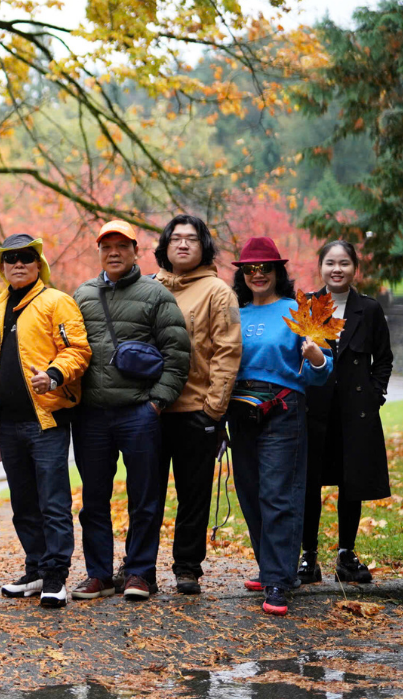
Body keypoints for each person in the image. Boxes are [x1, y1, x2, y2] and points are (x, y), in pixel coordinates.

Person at [71, 221, 190, 603]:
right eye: (107, 247)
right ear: (100, 252)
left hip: (138, 412)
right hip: (91, 415)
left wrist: (156, 403)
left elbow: (178, 354)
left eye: (122, 246)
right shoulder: (83, 295)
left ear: (136, 251)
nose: (114, 252)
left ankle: (139, 572)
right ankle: (98, 575)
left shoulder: (155, 294)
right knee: (93, 499)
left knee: (144, 497)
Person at [0, 235, 91, 609]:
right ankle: (36, 569)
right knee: (24, 504)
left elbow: (78, 350)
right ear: (2, 266)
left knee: (53, 502)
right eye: (10, 258)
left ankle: (56, 575)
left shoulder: (57, 302)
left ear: (38, 262)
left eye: (26, 257)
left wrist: (54, 375)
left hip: (47, 420)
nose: (18, 264)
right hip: (8, 423)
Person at [229, 236, 332, 616]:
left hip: (284, 408)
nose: (258, 274)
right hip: (241, 410)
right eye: (250, 269)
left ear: (277, 271)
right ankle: (271, 565)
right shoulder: (234, 314)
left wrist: (316, 357)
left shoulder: (299, 310)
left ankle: (278, 580)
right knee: (250, 491)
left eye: (265, 268)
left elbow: (322, 372)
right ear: (242, 275)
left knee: (278, 493)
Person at [149, 215, 242, 595]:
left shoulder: (218, 292)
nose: (183, 245)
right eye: (176, 239)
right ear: (165, 246)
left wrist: (212, 410)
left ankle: (188, 567)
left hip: (196, 412)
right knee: (145, 496)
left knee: (193, 495)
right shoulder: (148, 288)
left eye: (191, 239)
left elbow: (228, 351)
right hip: (151, 412)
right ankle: (139, 566)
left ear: (203, 246)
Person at [298, 240, 392, 585]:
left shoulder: (367, 310)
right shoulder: (307, 306)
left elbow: (383, 359)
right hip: (314, 409)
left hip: (356, 412)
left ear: (354, 268)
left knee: (352, 481)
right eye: (330, 263)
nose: (337, 270)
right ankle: (308, 555)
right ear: (320, 266)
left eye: (344, 264)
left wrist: (374, 396)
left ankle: (346, 553)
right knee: (309, 483)